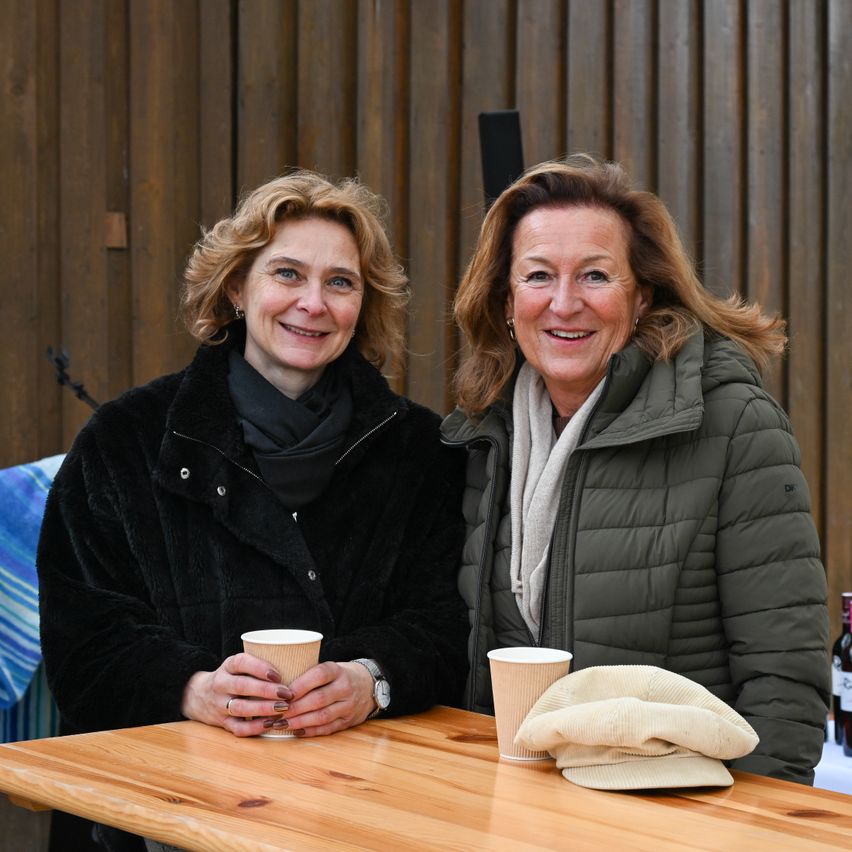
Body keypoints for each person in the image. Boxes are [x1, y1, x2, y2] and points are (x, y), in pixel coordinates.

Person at [38, 171, 468, 850]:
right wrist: (189, 686)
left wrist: (373, 678)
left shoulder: (418, 449)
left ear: (364, 303)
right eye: (288, 274)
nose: (312, 304)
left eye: (340, 282)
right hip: (156, 820)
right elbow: (82, 636)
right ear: (238, 288)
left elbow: (450, 620)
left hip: (363, 816)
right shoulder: (127, 441)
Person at [441, 155, 829, 785]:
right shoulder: (483, 435)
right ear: (506, 301)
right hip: (515, 801)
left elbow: (784, 670)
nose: (564, 304)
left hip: (679, 809)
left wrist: (763, 826)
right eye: (538, 276)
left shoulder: (731, 422)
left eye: (595, 275)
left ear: (641, 296)